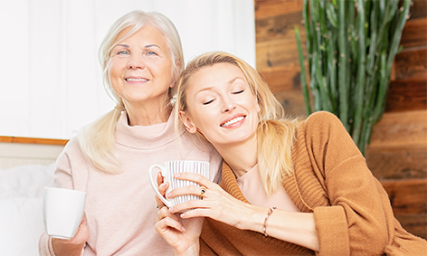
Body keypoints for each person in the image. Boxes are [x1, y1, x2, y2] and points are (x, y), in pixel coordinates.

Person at [154, 51, 427, 255]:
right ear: (188, 121)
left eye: (238, 90)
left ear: (256, 100)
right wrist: (189, 247)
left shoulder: (317, 134)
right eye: (209, 100)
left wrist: (247, 215)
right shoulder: (215, 213)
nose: (228, 105)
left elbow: (369, 236)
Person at [38, 11, 222, 256]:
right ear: (108, 67)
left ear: (176, 71)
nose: (134, 63)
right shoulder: (81, 149)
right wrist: (68, 244)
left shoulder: (207, 139)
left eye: (151, 52)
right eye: (122, 52)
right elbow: (55, 244)